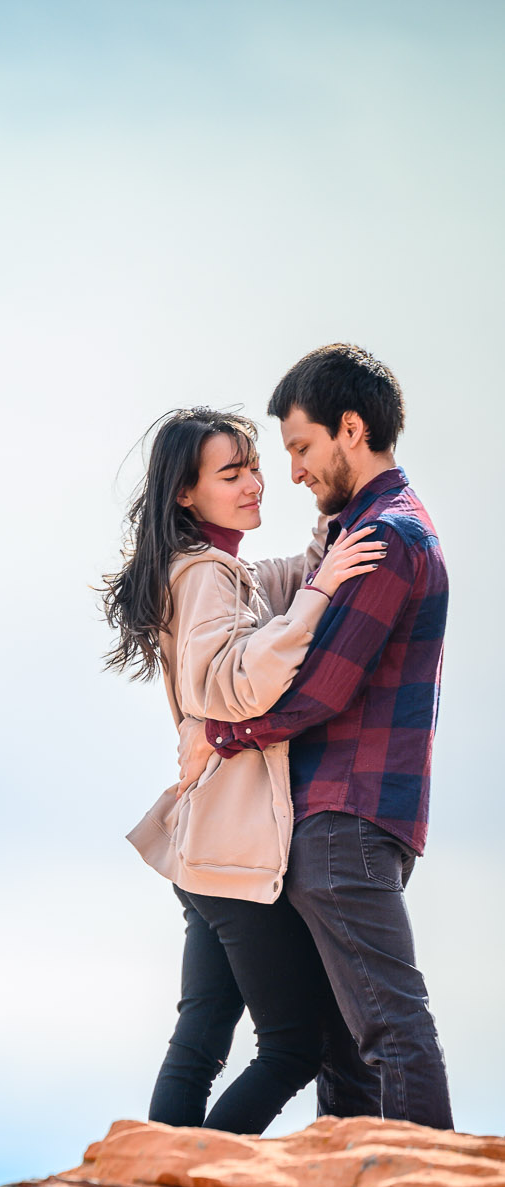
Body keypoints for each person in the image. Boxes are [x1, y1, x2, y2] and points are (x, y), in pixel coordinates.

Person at [184, 345, 453, 1129]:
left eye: (300, 448)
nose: (291, 471)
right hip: (340, 820)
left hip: (345, 819)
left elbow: (320, 687)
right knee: (342, 1042)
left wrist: (220, 733)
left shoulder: (387, 539)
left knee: (388, 1027)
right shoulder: (358, 531)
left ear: (350, 428)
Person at [103, 408, 383, 1133]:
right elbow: (231, 686)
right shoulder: (204, 577)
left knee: (198, 1042)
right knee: (294, 1046)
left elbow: (271, 585)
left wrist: (329, 533)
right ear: (184, 494)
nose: (255, 483)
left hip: (205, 850)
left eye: (253, 467)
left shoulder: (218, 570)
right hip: (231, 851)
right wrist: (321, 597)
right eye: (231, 474)